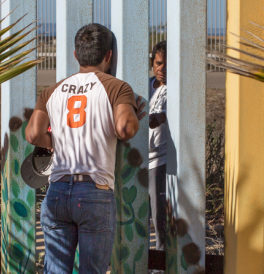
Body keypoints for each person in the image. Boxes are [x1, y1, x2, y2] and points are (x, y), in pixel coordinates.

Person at [26, 23, 146, 274]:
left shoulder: (51, 91)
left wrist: (55, 141)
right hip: (94, 192)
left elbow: (33, 134)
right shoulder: (116, 87)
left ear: (76, 55)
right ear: (109, 56)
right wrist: (134, 111)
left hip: (56, 192)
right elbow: (125, 129)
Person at [147, 41, 169, 250]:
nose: (162, 68)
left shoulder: (174, 90)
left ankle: (160, 261)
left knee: (158, 215)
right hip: (139, 159)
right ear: (152, 64)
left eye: (166, 63)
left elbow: (161, 117)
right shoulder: (146, 85)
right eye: (159, 63)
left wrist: (160, 117)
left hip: (159, 160)